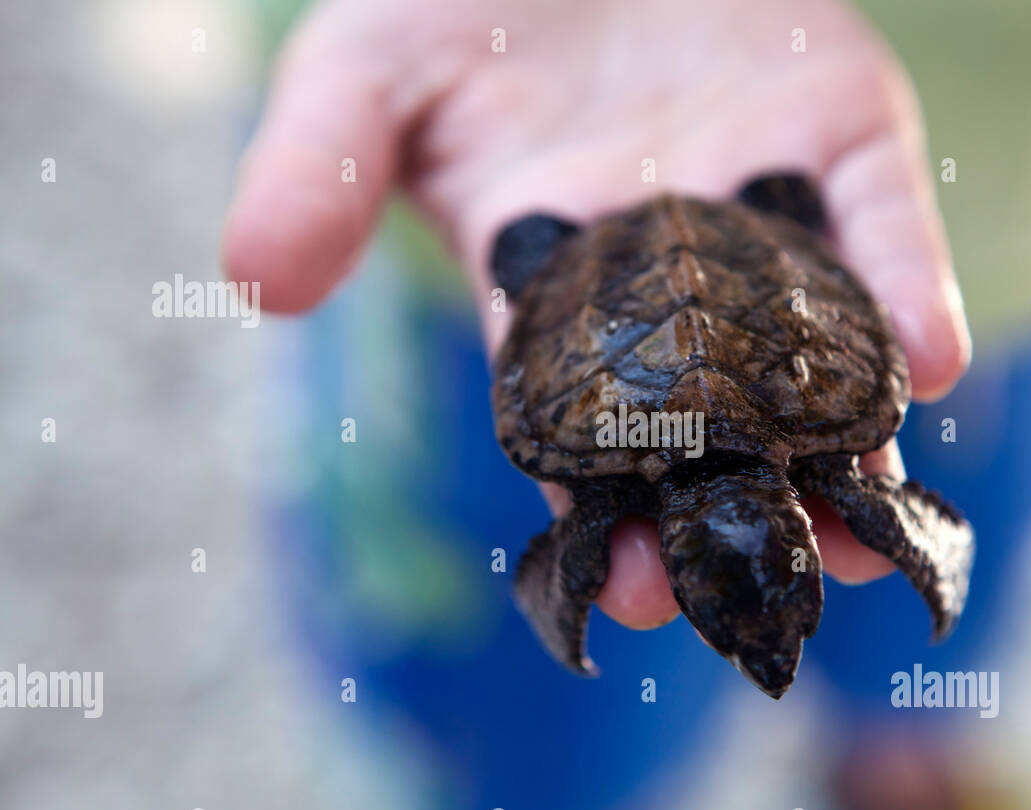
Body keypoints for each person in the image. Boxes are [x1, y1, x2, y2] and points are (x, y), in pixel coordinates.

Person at [223, 0, 971, 633]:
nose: (776, 660)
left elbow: (576, 546)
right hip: (722, 238)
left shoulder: (610, 458)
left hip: (614, 256)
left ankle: (895, 741)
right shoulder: (816, 440)